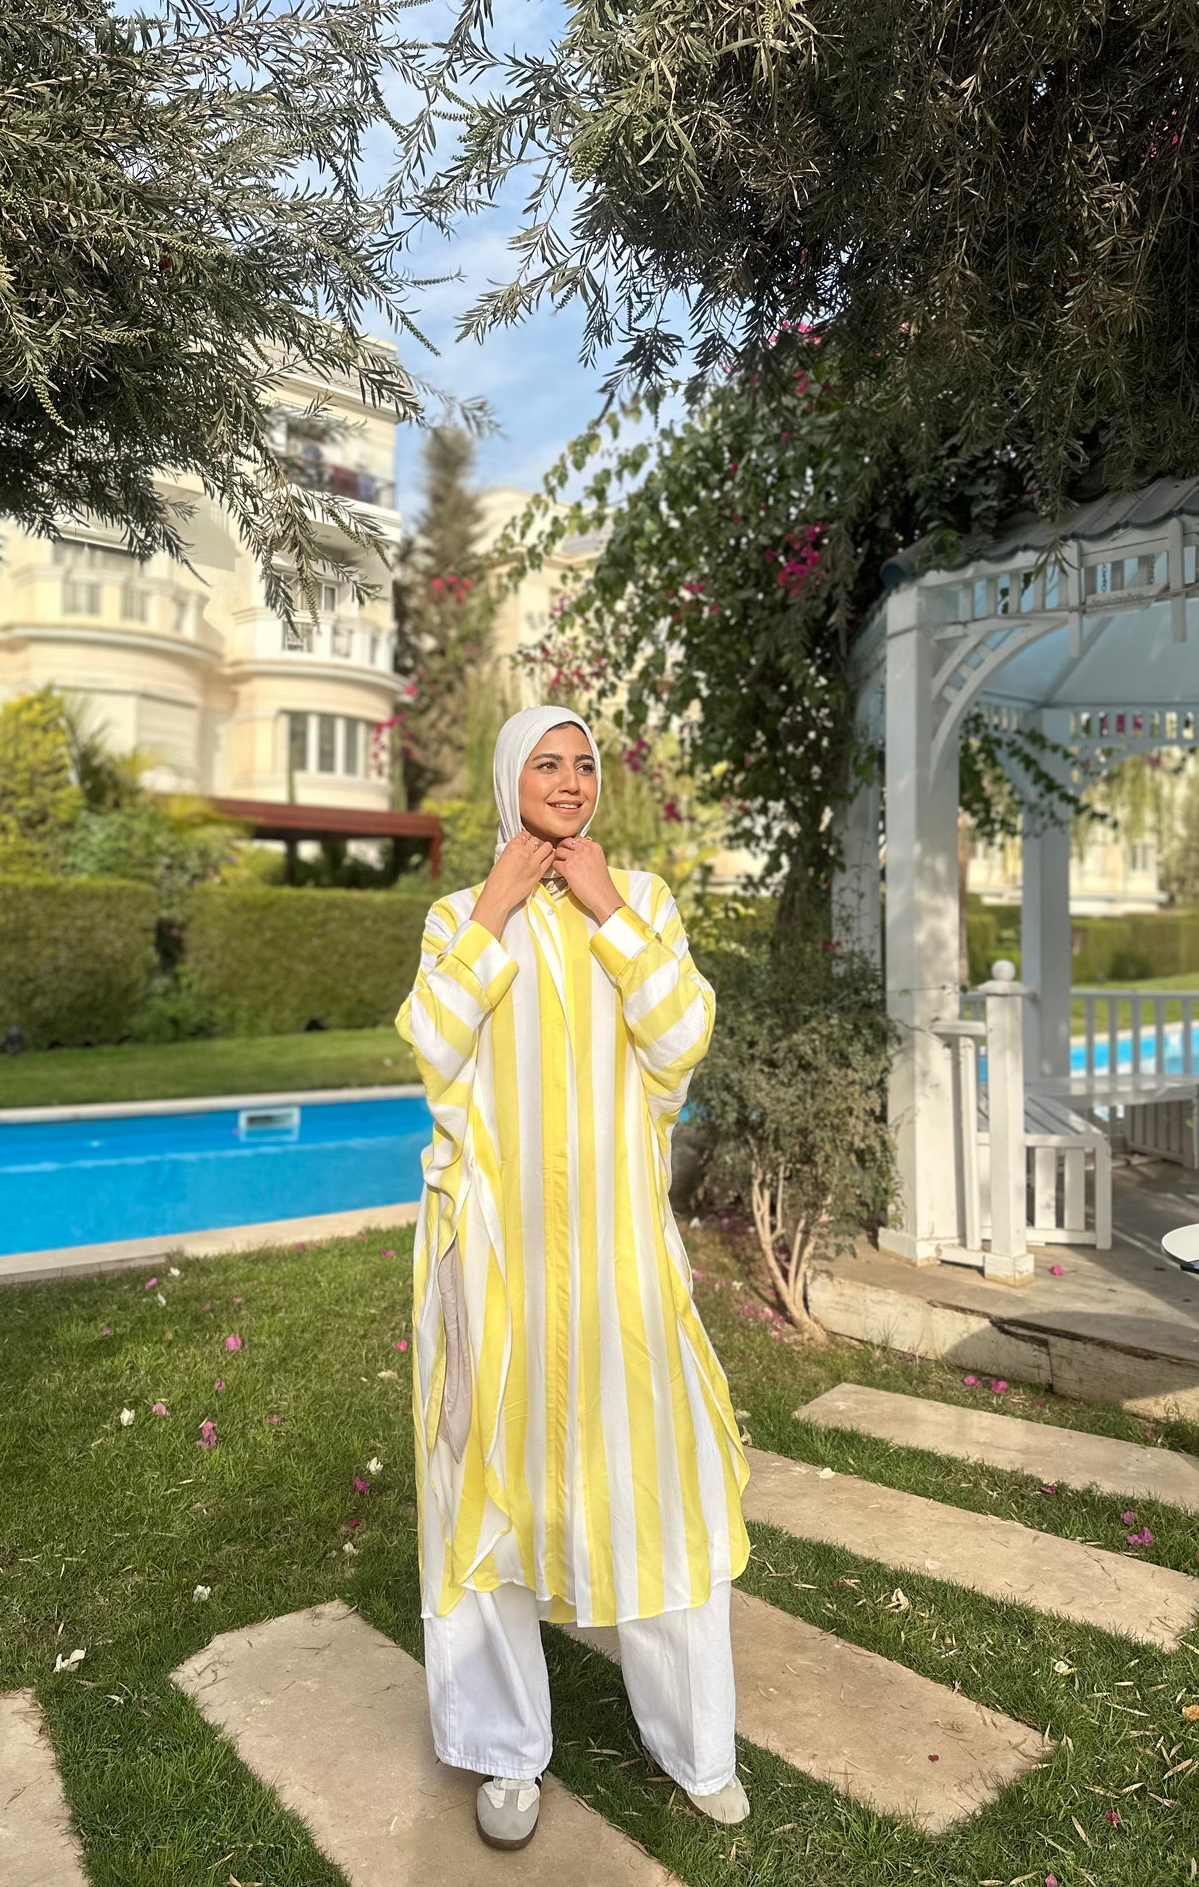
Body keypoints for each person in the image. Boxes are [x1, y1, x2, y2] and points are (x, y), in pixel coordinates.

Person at [396, 703, 751, 1852]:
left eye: (584, 762)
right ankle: (506, 1751)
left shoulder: (640, 897)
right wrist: (495, 908)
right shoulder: (459, 915)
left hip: (619, 1260)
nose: (569, 779)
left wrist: (605, 907)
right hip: (496, 1263)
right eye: (546, 762)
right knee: (485, 1491)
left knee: (657, 1483)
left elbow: (683, 1035)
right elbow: (432, 1046)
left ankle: (696, 1746)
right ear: (511, 778)